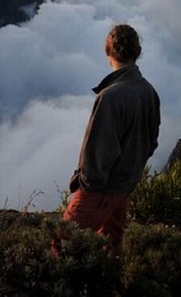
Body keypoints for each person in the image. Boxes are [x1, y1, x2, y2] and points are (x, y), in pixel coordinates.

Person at [63, 24, 160, 255]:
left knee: (63, 245)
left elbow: (98, 152)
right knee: (111, 248)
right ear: (137, 52)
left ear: (108, 52)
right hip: (125, 185)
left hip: (99, 190)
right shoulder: (148, 91)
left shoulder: (110, 98)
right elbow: (151, 141)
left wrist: (86, 185)